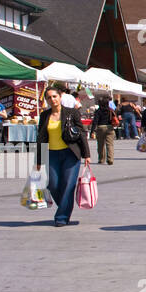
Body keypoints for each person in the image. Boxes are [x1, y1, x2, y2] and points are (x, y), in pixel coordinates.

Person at [34, 86, 91, 227]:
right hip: (52, 154)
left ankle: (61, 217)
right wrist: (39, 160)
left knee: (68, 185)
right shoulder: (45, 115)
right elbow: (40, 138)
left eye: (54, 96)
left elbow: (81, 133)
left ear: (60, 97)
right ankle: (65, 206)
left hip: (70, 154)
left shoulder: (71, 113)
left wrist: (86, 154)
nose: (52, 99)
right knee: (53, 185)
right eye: (49, 97)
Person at [92, 96, 116, 165]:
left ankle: (101, 159)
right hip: (110, 128)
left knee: (100, 144)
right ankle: (110, 159)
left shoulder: (98, 111)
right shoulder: (110, 110)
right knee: (110, 144)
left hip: (100, 128)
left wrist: (92, 131)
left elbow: (95, 121)